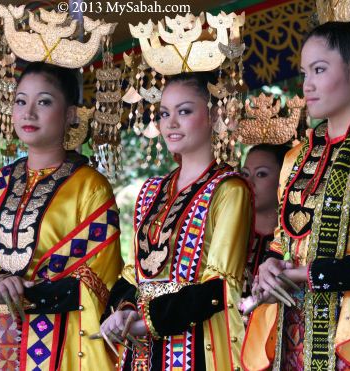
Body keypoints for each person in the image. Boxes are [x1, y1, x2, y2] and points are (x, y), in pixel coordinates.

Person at [0, 62, 123, 370]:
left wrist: (20, 291)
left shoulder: (90, 188)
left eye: (43, 101)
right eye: (20, 101)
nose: (28, 113)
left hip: (60, 349)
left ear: (70, 114)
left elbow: (96, 280)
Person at [241, 21, 350, 370]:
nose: (307, 85)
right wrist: (270, 266)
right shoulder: (295, 158)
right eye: (305, 72)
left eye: (319, 70)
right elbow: (283, 240)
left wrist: (309, 274)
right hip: (292, 331)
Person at [100, 72, 252, 370]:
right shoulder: (150, 192)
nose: (170, 123)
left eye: (184, 111)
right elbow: (133, 273)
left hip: (196, 344)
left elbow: (219, 284)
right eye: (165, 113)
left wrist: (148, 322)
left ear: (214, 116)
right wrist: (123, 311)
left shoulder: (229, 190)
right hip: (142, 348)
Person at [240, 144, 290, 297]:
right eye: (246, 175)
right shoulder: (230, 233)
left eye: (261, 174)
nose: (249, 183)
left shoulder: (294, 242)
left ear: (283, 178)